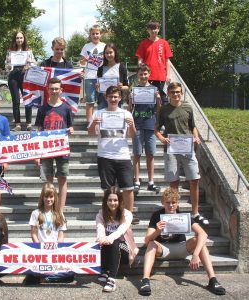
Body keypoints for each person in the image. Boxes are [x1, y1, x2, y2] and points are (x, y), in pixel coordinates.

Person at [138, 188, 226, 296]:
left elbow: (203, 234)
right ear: (163, 203)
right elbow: (147, 240)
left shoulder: (183, 216)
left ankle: (213, 280)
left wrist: (195, 254)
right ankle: (145, 281)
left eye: (173, 202)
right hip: (163, 249)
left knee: (199, 241)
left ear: (177, 203)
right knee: (151, 244)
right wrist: (158, 231)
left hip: (181, 248)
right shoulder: (156, 215)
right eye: (168, 202)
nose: (171, 205)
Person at [155, 82, 208, 225]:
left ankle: (195, 212)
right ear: (169, 93)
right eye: (173, 92)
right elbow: (156, 129)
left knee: (194, 179)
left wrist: (196, 137)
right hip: (171, 149)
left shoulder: (188, 107)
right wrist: (162, 138)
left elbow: (193, 127)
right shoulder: (164, 109)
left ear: (181, 93)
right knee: (174, 181)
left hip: (187, 147)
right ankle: (174, 211)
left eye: (178, 92)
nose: (175, 94)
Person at [87, 86, 138, 223]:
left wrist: (132, 125)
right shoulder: (98, 113)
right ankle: (109, 215)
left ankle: (129, 216)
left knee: (128, 188)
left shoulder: (126, 114)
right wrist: (94, 125)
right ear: (106, 98)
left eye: (116, 97)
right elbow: (90, 133)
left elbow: (132, 135)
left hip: (123, 156)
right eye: (111, 97)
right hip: (105, 155)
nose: (113, 99)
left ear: (120, 98)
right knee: (108, 190)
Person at [35, 77, 74, 211]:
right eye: (51, 89)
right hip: (46, 149)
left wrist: (70, 130)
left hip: (62, 149)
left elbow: (70, 127)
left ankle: (60, 211)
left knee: (62, 178)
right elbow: (39, 131)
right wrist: (37, 154)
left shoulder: (66, 108)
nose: (54, 91)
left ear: (61, 90)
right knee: (48, 180)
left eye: (56, 88)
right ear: (48, 90)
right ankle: (49, 210)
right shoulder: (42, 109)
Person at [24, 183, 74, 284]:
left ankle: (45, 278)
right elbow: (33, 234)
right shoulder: (35, 213)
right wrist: (40, 248)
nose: (48, 199)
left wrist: (55, 250)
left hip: (54, 252)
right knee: (30, 269)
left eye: (51, 197)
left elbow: (60, 237)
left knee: (71, 273)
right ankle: (47, 276)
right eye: (46, 196)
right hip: (40, 252)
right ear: (42, 197)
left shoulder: (60, 215)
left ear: (55, 198)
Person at [96, 186, 138, 292]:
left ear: (120, 201)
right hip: (109, 250)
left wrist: (106, 239)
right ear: (106, 201)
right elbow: (100, 230)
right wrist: (100, 238)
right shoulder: (101, 214)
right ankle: (104, 270)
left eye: (115, 200)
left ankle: (111, 279)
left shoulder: (127, 214)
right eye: (110, 200)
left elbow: (120, 232)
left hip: (124, 250)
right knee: (103, 241)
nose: (112, 203)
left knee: (114, 241)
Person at [128, 64, 161, 193]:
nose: (143, 76)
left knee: (150, 154)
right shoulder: (134, 89)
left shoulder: (154, 89)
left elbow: (158, 110)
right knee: (136, 154)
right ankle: (136, 181)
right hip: (137, 124)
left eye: (145, 74)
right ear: (138, 75)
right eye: (141, 74)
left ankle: (151, 182)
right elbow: (129, 110)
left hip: (150, 124)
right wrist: (130, 100)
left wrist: (158, 100)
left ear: (149, 74)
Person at [135, 21, 173, 105]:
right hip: (147, 76)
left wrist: (168, 75)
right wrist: (139, 74)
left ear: (158, 29)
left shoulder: (164, 43)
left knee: (163, 100)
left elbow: (167, 61)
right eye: (151, 29)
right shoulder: (143, 43)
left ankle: (164, 118)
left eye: (155, 28)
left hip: (161, 76)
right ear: (148, 30)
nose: (153, 31)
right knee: (148, 100)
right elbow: (140, 60)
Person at [6, 31, 36, 131]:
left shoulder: (28, 51)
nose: (19, 40)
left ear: (24, 39)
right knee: (15, 101)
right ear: (15, 39)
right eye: (17, 38)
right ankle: (18, 124)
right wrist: (9, 64)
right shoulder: (10, 51)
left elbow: (34, 64)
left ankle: (28, 124)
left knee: (27, 100)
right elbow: (6, 66)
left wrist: (29, 64)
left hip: (25, 76)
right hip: (13, 76)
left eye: (21, 38)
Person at [80, 24, 106, 122]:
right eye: (93, 34)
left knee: (103, 101)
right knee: (90, 100)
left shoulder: (104, 46)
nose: (95, 35)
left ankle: (102, 122)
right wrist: (85, 59)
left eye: (97, 33)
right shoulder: (86, 46)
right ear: (90, 35)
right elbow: (81, 62)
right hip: (89, 76)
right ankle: (89, 123)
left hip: (102, 77)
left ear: (101, 34)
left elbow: (109, 59)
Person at [96, 43, 129, 109]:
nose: (108, 55)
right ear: (104, 54)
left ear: (115, 53)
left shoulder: (121, 67)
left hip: (117, 102)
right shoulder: (100, 69)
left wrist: (121, 87)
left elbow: (127, 87)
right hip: (103, 101)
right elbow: (98, 89)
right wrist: (97, 87)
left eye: (111, 52)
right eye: (106, 53)